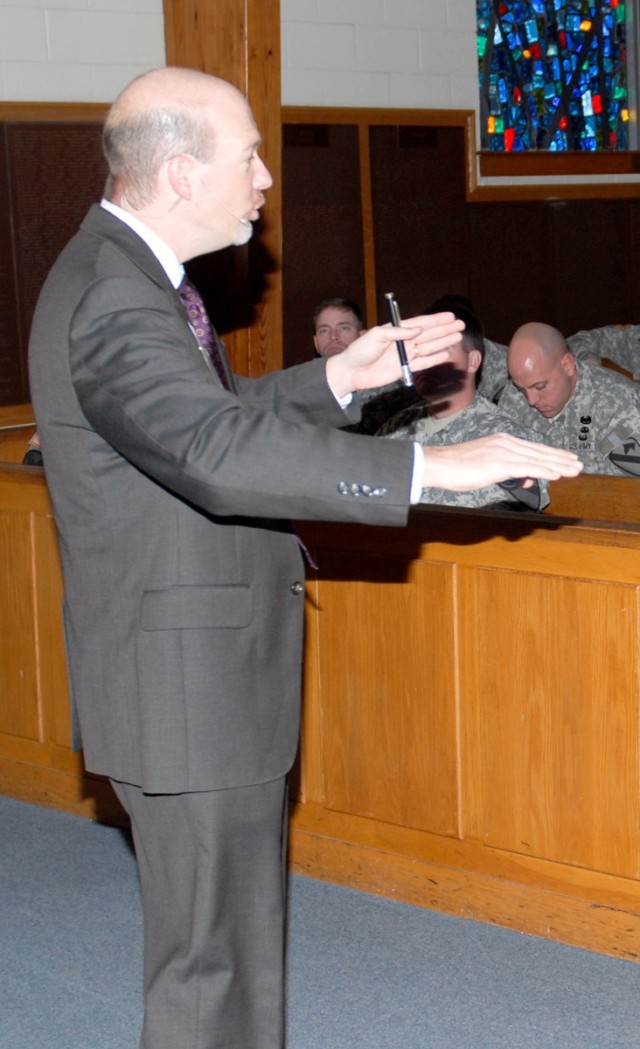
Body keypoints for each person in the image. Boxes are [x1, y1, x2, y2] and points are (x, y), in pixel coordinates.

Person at [27, 66, 583, 1049]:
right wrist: (432, 468)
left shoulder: (125, 273)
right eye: (248, 154)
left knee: (229, 962)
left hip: (189, 676)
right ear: (183, 174)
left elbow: (203, 421)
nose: (266, 179)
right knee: (213, 972)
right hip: (182, 682)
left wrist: (335, 377)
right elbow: (210, 453)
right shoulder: (115, 293)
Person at [378, 298, 550, 510]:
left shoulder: (504, 437)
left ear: (472, 361)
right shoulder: (397, 427)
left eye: (439, 351)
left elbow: (524, 509)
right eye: (420, 351)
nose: (426, 362)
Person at [500, 321, 640, 476]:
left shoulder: (612, 405)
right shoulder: (513, 396)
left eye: (540, 387)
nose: (531, 400)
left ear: (567, 365)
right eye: (522, 389)